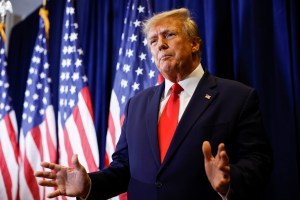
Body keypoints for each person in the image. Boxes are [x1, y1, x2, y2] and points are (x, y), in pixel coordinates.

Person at [35, 8, 273, 200]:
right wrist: (90, 185)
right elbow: (124, 168)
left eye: (169, 34)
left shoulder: (237, 96)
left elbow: (259, 161)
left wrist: (230, 180)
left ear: (195, 44)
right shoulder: (137, 104)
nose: (160, 44)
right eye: (153, 40)